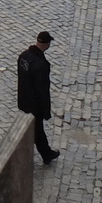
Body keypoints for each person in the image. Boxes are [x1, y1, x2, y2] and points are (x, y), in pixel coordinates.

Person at [18, 31, 59, 163]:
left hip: (24, 100)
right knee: (37, 130)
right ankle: (46, 154)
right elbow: (43, 90)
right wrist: (46, 111)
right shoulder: (41, 65)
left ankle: (46, 153)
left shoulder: (24, 56)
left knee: (35, 129)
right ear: (47, 44)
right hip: (35, 105)